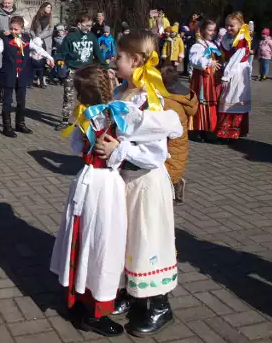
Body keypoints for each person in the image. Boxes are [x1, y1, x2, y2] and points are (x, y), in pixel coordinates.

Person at [50, 64, 180, 336]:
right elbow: (163, 135)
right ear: (109, 88)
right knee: (104, 246)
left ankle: (78, 297)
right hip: (107, 185)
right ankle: (96, 308)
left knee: (83, 238)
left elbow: (76, 146)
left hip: (85, 181)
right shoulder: (119, 113)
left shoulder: (86, 115)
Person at [93, 31, 182, 337]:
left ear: (136, 61)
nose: (113, 60)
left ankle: (158, 304)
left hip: (145, 182)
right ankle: (131, 294)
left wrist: (117, 150)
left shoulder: (149, 99)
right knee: (126, 239)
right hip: (124, 181)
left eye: (118, 56)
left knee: (147, 240)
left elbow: (156, 153)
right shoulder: (121, 92)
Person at [0, 16, 54, 138]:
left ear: (21, 29)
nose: (13, 31)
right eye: (11, 29)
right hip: (8, 75)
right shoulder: (4, 40)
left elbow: (38, 49)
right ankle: (7, 127)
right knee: (7, 101)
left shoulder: (27, 39)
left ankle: (20, 124)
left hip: (22, 75)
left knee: (21, 101)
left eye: (16, 29)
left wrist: (49, 57)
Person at [55, 11, 109, 131]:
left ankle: (87, 119)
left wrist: (106, 67)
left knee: (88, 96)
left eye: (90, 25)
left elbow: (98, 53)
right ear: (79, 24)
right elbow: (62, 53)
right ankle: (65, 120)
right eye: (87, 25)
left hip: (87, 72)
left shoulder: (92, 37)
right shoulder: (70, 37)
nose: (89, 28)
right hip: (72, 70)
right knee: (68, 96)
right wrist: (59, 62)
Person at [160, 64, 198, 204]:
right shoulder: (183, 97)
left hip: (171, 144)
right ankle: (177, 186)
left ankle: (175, 191)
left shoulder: (169, 103)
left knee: (169, 170)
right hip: (179, 144)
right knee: (175, 167)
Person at [216, 12, 251, 141]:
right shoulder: (228, 37)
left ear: (240, 25)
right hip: (230, 69)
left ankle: (232, 132)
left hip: (237, 72)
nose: (229, 28)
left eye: (232, 26)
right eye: (227, 25)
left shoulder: (241, 40)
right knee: (227, 97)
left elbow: (235, 59)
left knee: (233, 97)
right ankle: (225, 131)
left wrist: (226, 76)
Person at [189, 20, 222, 142]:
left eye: (214, 30)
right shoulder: (198, 45)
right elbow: (194, 60)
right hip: (202, 80)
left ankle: (208, 128)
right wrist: (208, 62)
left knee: (211, 103)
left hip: (211, 79)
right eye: (210, 30)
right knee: (201, 103)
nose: (212, 33)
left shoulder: (213, 44)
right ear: (202, 30)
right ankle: (198, 129)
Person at [30, 2, 54, 85]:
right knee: (37, 60)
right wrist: (34, 38)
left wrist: (39, 37)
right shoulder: (36, 18)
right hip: (37, 42)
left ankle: (43, 79)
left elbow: (50, 31)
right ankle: (37, 79)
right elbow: (32, 29)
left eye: (50, 8)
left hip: (46, 42)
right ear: (43, 8)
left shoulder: (51, 18)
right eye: (48, 7)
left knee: (46, 61)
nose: (49, 9)